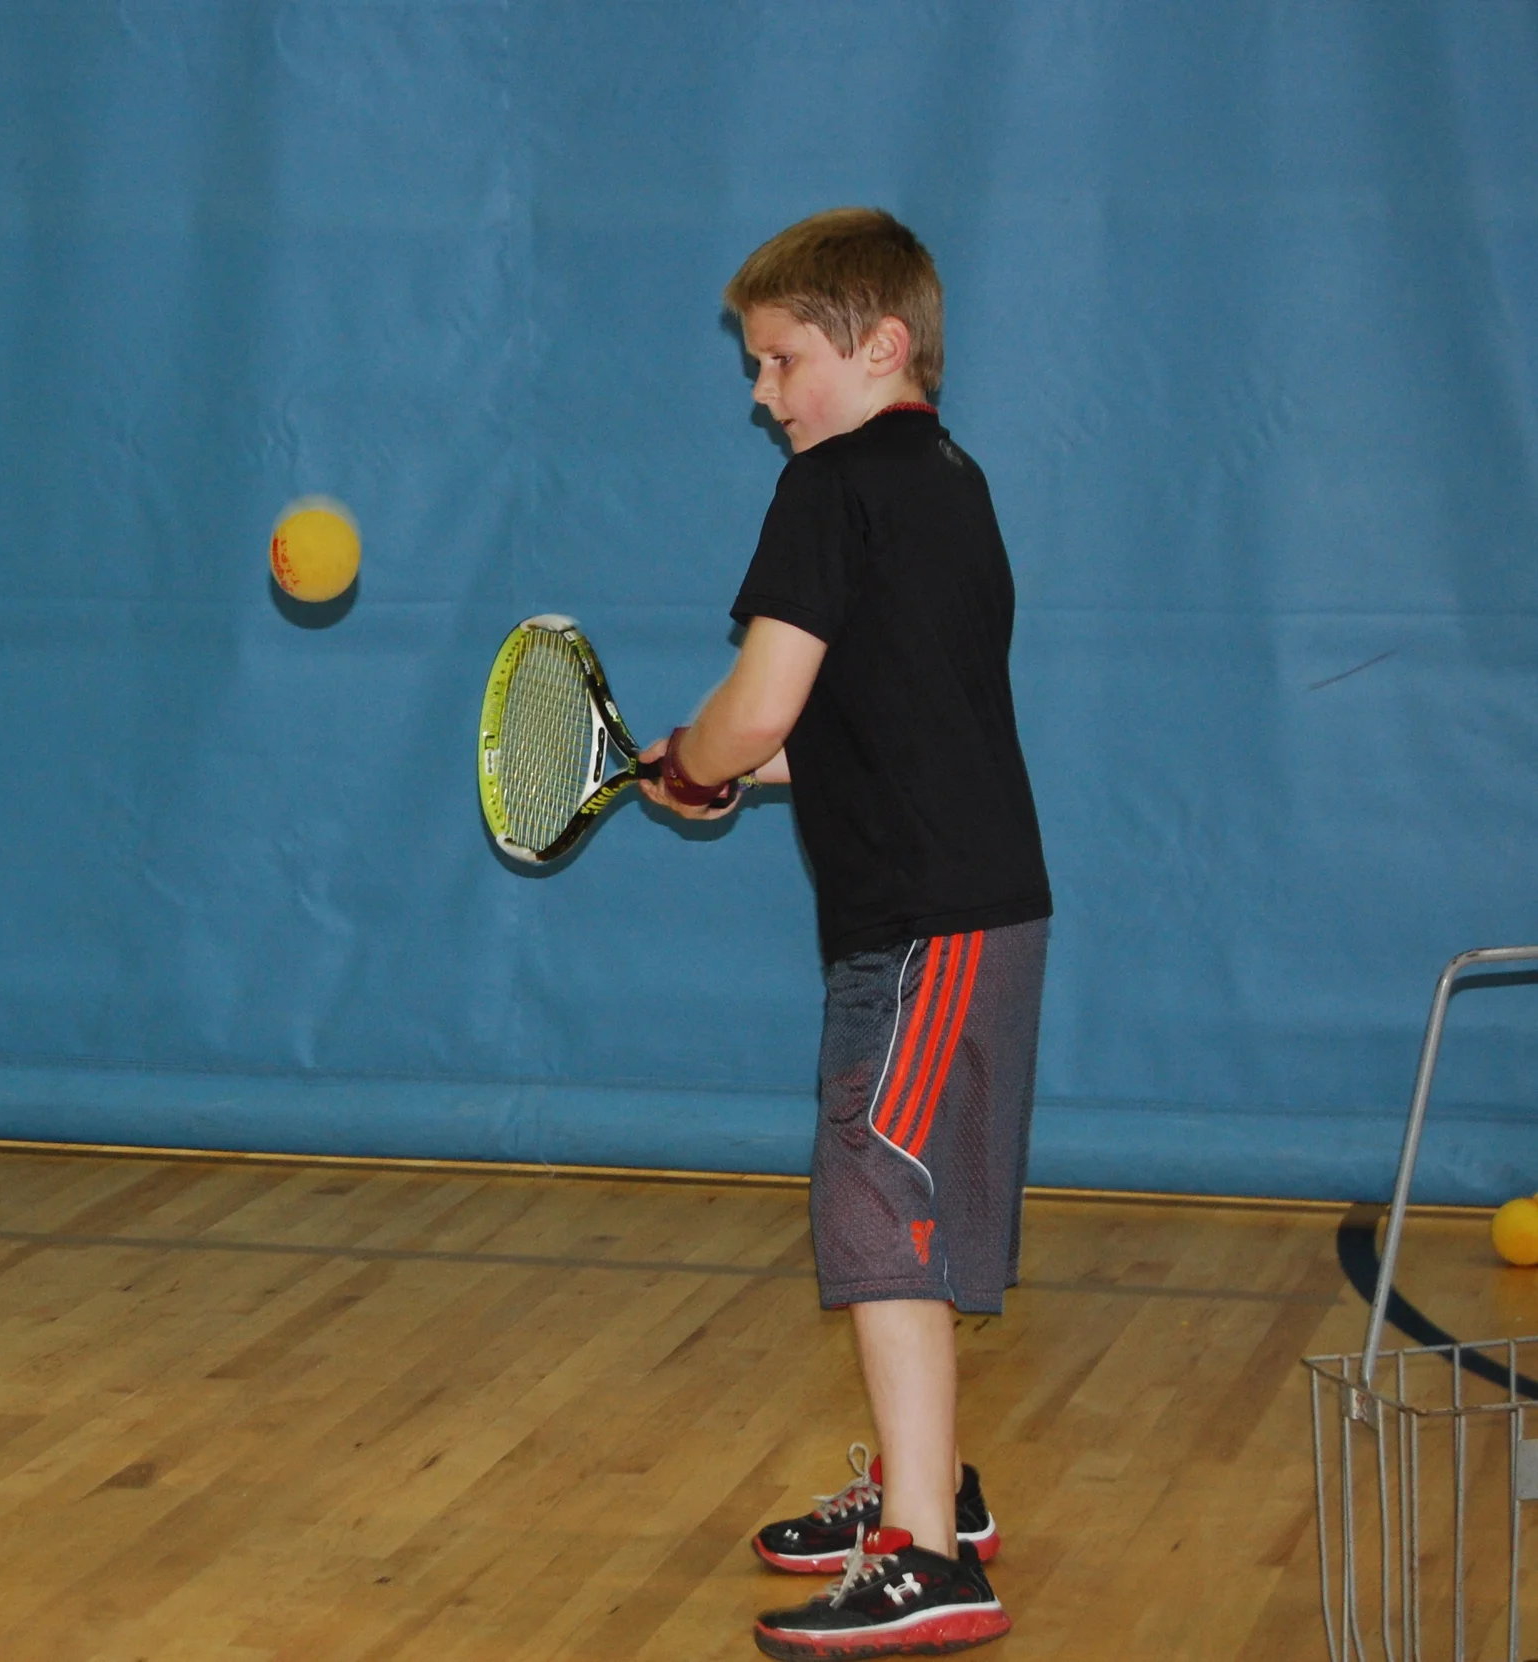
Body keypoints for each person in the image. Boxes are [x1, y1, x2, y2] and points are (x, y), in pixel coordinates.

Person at [638, 207, 1052, 1659]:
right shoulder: (952, 480)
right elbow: (864, 726)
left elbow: (765, 702)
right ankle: (936, 1490)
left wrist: (701, 755)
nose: (764, 396)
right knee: (917, 1214)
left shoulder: (829, 490)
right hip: (978, 909)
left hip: (924, 923)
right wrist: (726, 767)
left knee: (879, 1214)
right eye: (756, 369)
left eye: (780, 361)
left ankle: (930, 1559)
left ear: (880, 346)